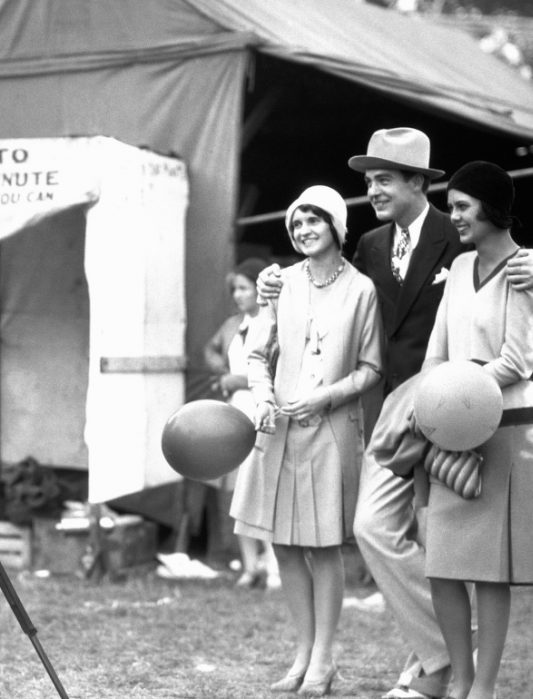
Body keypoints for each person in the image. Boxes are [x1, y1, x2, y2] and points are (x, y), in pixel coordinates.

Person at [232, 185, 383, 696]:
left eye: (314, 221)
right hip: (277, 429)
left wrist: (324, 399)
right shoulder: (279, 284)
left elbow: (370, 369)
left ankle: (324, 657)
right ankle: (302, 652)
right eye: (296, 223)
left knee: (322, 547)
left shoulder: (361, 289)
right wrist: (264, 399)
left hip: (330, 430)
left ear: (337, 227)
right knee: (284, 545)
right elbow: (256, 355)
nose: (304, 230)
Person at [420, 161, 533, 699]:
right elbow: (436, 351)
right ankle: (460, 680)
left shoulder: (524, 269)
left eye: (463, 206)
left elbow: (517, 359)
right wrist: (429, 405)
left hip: (507, 426)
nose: (455, 216)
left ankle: (484, 688)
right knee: (442, 563)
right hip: (450, 426)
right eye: (452, 206)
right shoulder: (459, 265)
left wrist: (458, 394)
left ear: (493, 207)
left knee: (489, 569)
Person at [202, 257, 280, 589]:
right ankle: (250, 567)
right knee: (238, 495)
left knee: (264, 494)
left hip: (262, 411)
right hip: (235, 413)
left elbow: (277, 368)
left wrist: (238, 380)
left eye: (244, 287)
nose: (238, 295)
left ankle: (275, 567)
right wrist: (222, 373)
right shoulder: (235, 324)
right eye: (234, 288)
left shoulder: (274, 322)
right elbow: (209, 349)